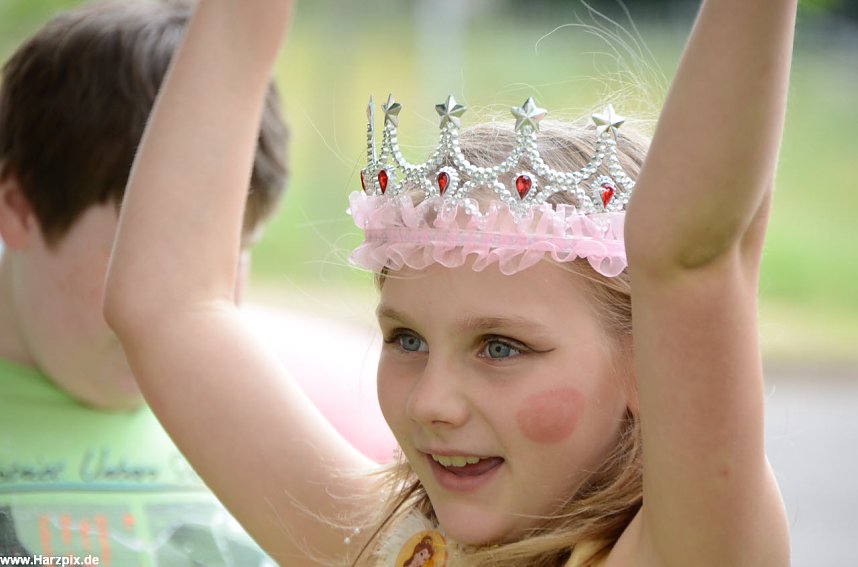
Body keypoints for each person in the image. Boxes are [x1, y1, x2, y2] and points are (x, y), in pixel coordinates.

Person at [104, 0, 795, 565]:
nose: (432, 401)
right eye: (405, 337)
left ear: (649, 363)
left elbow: (692, 261)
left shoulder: (692, 550)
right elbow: (168, 307)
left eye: (499, 346)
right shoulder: (391, 550)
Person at [0, 1, 290, 563]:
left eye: (234, 255)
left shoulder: (262, 432)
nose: (205, 304)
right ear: (20, 208)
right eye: (147, 260)